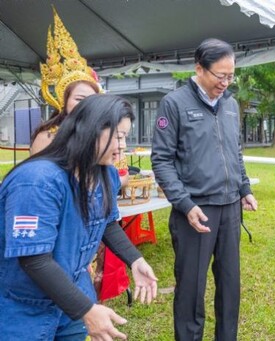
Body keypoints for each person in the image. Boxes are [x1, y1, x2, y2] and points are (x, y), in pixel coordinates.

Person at [0, 95, 158, 340]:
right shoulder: (37, 182)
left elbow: (107, 222)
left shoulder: (105, 173)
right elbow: (33, 259)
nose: (123, 146)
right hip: (24, 305)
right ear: (90, 130)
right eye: (118, 136)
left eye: (125, 137)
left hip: (73, 292)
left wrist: (135, 260)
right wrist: (86, 310)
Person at [151, 38, 257, 341]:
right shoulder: (174, 104)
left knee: (229, 284)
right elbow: (161, 160)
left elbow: (235, 151)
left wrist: (244, 187)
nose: (225, 83)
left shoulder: (231, 105)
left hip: (229, 208)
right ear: (199, 68)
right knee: (190, 289)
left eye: (230, 75)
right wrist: (184, 204)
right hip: (195, 212)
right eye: (219, 76)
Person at [31, 8, 100, 155]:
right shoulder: (47, 137)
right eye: (79, 99)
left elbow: (119, 173)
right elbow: (38, 176)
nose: (85, 104)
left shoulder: (101, 133)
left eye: (91, 100)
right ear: (64, 101)